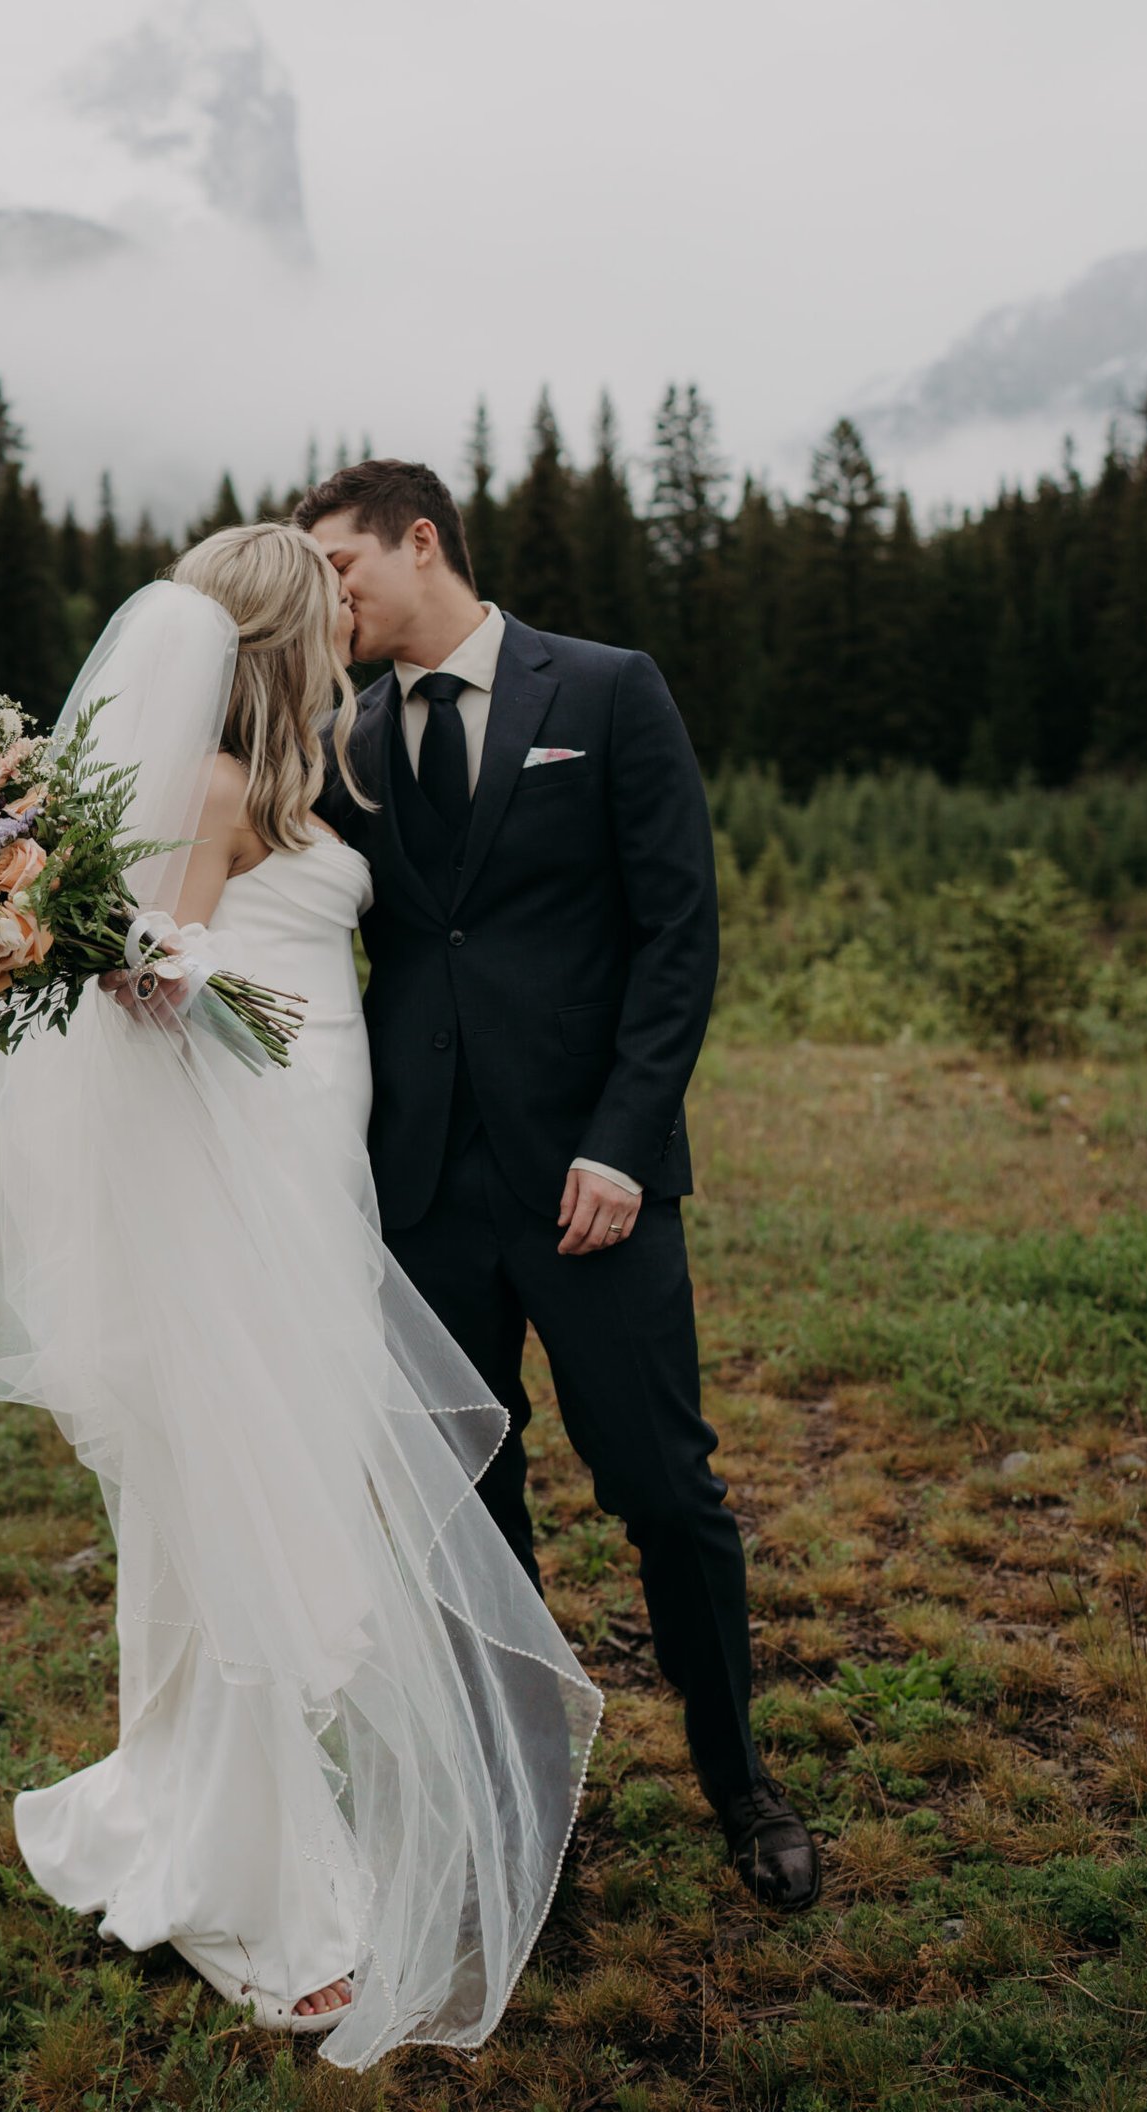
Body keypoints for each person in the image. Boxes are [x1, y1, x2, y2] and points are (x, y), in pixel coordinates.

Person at [0, 523, 602, 2069]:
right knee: (248, 1511)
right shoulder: (217, 787)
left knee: (274, 1501)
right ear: (269, 637)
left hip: (319, 1175)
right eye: (322, 615)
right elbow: (138, 988)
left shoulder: (296, 778)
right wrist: (163, 985)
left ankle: (210, 1805)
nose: (345, 634)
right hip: (240, 1185)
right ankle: (253, 1893)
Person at [298, 459, 819, 1912]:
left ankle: (741, 1780)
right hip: (417, 1190)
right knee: (472, 1504)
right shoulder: (339, 734)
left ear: (421, 541)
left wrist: (624, 1140)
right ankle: (524, 1794)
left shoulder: (603, 689)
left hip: (594, 1179)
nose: (328, 600)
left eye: (342, 568)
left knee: (667, 1492)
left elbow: (677, 933)